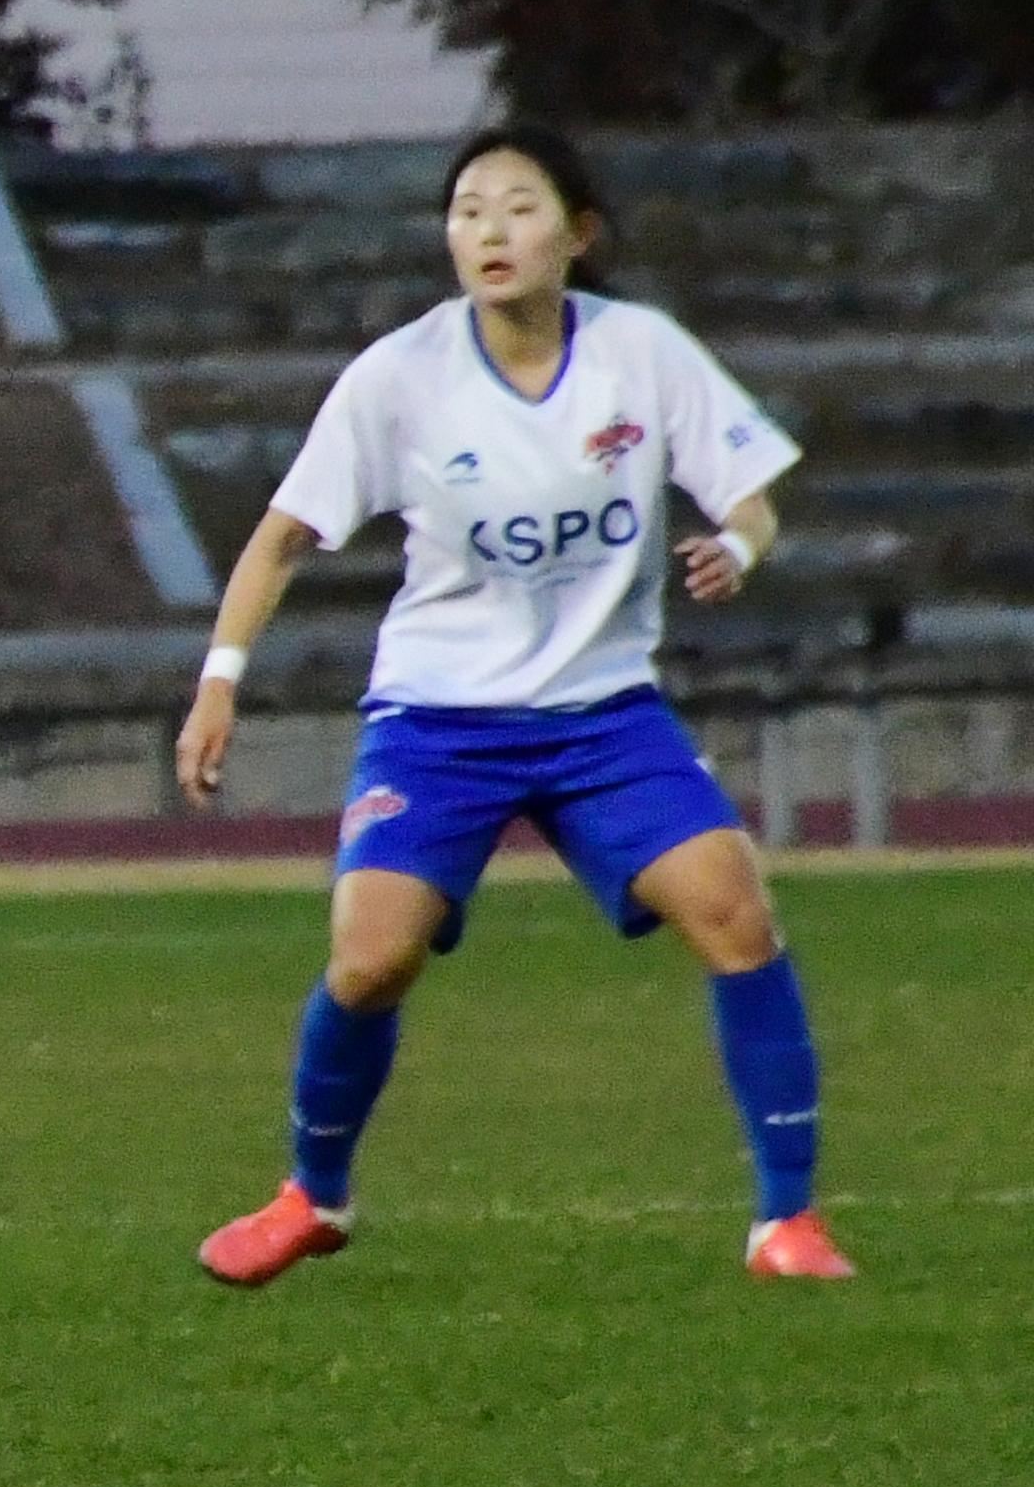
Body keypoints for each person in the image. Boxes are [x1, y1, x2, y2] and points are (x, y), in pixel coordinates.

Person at [176, 120, 842, 1283]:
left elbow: (756, 501)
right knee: (372, 961)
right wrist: (219, 682)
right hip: (438, 721)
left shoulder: (643, 353)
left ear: (578, 235)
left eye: (518, 206)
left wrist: (738, 543)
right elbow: (282, 538)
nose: (488, 229)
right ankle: (310, 1196)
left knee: (734, 909)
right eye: (468, 208)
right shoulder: (401, 375)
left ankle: (786, 1221)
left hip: (603, 714)